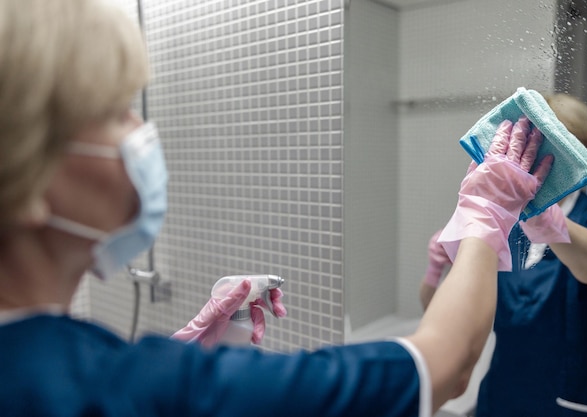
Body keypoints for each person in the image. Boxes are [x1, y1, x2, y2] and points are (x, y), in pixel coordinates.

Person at [0, 1, 553, 416]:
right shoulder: (120, 385)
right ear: (26, 174)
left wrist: (183, 352)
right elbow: (446, 366)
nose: (142, 132)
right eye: (115, 111)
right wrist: (485, 216)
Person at [421, 93, 587, 416]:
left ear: (575, 156)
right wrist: (434, 272)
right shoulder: (505, 222)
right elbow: (440, 316)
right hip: (503, 392)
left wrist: (550, 222)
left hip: (574, 398)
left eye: (544, 148)